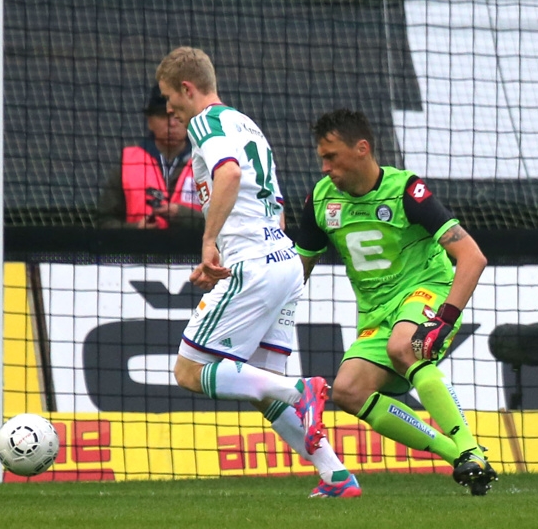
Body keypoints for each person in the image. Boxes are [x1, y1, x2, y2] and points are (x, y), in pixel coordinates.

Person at [157, 47, 361, 498]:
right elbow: (277, 205)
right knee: (261, 391)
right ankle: (337, 476)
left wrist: (210, 242)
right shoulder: (246, 123)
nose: (169, 109)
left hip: (252, 265)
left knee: (190, 372)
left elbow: (227, 175)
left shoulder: (206, 123)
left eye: (170, 98)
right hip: (283, 262)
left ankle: (300, 390)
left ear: (188, 89)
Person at [293, 108, 497, 495]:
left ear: (362, 149)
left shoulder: (406, 191)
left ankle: (470, 447)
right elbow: (297, 271)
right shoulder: (320, 202)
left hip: (426, 290)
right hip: (375, 314)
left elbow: (473, 257)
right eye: (321, 158)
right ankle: (461, 457)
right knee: (348, 391)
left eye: (331, 156)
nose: (325, 168)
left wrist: (445, 320)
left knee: (404, 346)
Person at [97, 84, 202, 229]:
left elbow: (226, 223)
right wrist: (137, 229)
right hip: (139, 250)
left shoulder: (207, 163)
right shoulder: (127, 164)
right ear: (150, 121)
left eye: (178, 115)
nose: (171, 123)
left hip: (192, 250)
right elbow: (104, 223)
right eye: (163, 115)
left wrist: (182, 215)